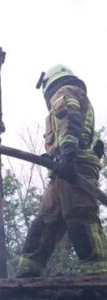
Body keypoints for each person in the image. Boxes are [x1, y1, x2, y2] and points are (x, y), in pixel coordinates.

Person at [16, 64, 107, 277]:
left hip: (75, 166)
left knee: (80, 214)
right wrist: (53, 156)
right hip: (63, 168)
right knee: (47, 219)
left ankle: (98, 272)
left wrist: (67, 153)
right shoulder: (73, 94)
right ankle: (28, 271)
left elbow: (69, 119)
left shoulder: (65, 92)